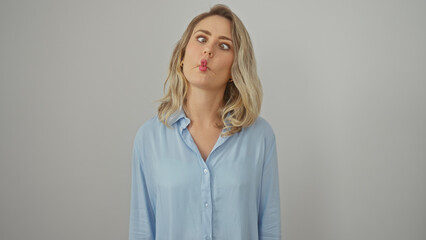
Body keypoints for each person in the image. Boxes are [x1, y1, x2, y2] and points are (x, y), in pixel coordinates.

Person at [129, 4, 281, 240]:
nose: (208, 51)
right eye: (201, 39)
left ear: (235, 67)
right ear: (182, 55)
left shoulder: (260, 136)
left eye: (223, 46)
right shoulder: (149, 137)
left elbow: (269, 228)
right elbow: (142, 228)